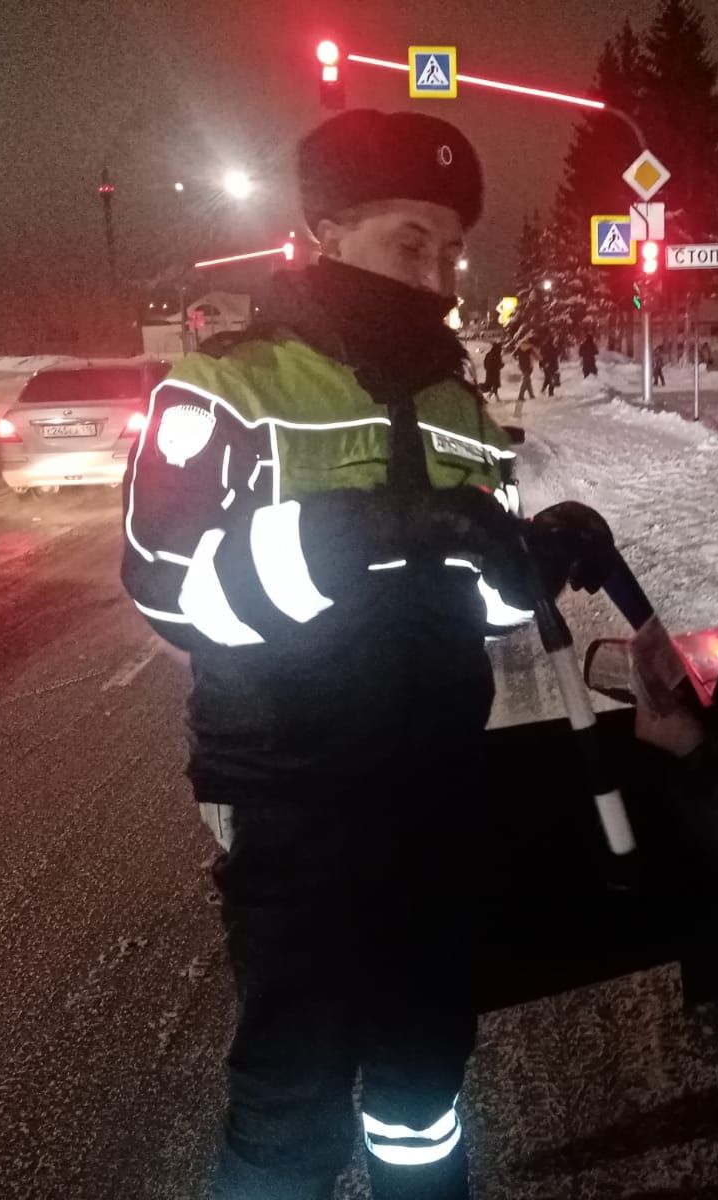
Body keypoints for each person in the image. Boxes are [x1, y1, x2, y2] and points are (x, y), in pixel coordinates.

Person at [121, 108, 536, 1200]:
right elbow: (168, 586)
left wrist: (523, 558)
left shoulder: (458, 400)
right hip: (289, 788)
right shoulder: (226, 385)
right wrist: (370, 535)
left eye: (451, 250)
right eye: (412, 242)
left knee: (423, 1075)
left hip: (435, 783)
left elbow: (486, 607)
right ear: (328, 230)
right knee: (293, 1086)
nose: (438, 273)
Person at [513, 339, 536, 416]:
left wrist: (519, 361)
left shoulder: (519, 348)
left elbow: (514, 355)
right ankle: (521, 396)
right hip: (529, 367)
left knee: (527, 380)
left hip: (522, 367)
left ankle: (531, 394)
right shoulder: (530, 349)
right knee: (526, 380)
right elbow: (535, 356)